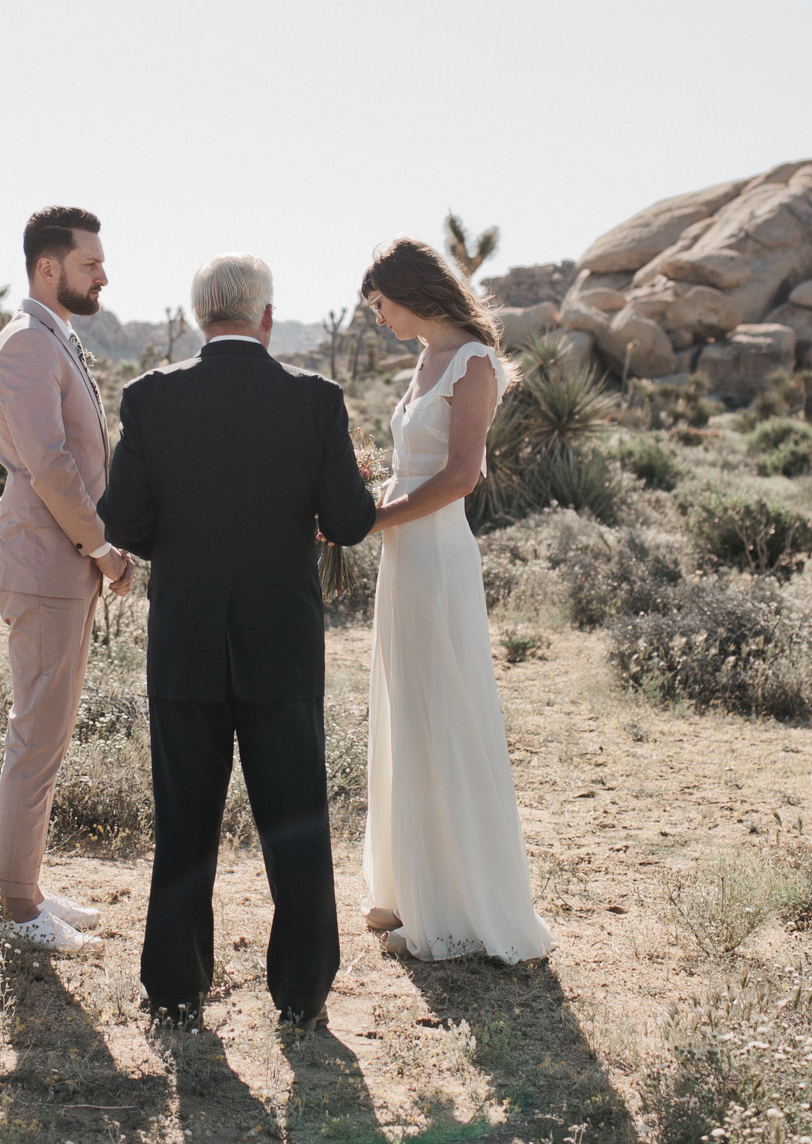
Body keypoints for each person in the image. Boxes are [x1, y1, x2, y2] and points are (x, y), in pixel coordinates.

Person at [98, 254, 378, 1030]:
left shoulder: (150, 399)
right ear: (266, 318)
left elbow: (121, 520)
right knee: (296, 820)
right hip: (281, 644)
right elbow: (350, 522)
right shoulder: (316, 401)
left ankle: (177, 988)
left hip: (186, 639)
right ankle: (302, 993)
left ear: (199, 320)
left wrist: (181, 543)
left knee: (183, 819)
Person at [358, 238, 553, 965]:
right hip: (403, 557)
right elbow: (415, 465)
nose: (379, 319)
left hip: (436, 556)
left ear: (408, 292)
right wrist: (367, 499)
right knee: (408, 706)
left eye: (380, 304)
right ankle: (409, 882)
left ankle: (460, 899)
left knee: (445, 709)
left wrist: (376, 517)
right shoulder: (425, 358)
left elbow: (462, 475)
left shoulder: (474, 363)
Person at [0, 205, 136, 952]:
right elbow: (50, 466)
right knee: (37, 734)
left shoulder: (48, 339)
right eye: (90, 263)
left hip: (52, 562)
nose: (103, 274)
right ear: (49, 267)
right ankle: (14, 909)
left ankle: (27, 886)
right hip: (48, 564)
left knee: (48, 731)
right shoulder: (26, 347)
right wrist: (102, 549)